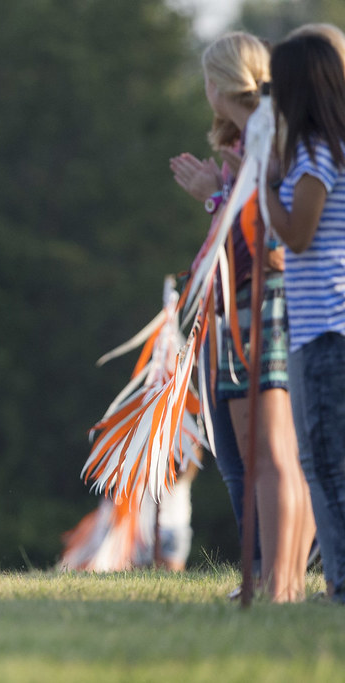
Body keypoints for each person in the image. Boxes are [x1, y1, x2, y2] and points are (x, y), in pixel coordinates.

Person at [173, 32, 313, 602]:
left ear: (217, 83)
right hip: (257, 296)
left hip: (260, 296)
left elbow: (261, 226)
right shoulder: (265, 131)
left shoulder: (267, 133)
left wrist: (215, 196)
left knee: (268, 454)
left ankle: (275, 582)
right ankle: (282, 580)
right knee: (273, 455)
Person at [265, 31, 345, 603]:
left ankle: (341, 581)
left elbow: (297, 235)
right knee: (321, 459)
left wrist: (265, 185)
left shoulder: (317, 154)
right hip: (320, 325)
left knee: (325, 460)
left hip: (326, 329)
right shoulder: (325, 149)